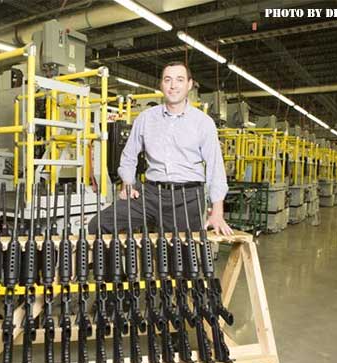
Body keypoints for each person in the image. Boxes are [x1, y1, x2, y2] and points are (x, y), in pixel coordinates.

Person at [88, 61, 233, 236]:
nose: (173, 85)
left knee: (181, 256)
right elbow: (128, 155)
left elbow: (215, 168)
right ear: (161, 85)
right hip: (149, 194)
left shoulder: (203, 122)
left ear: (189, 84)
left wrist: (217, 212)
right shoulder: (146, 118)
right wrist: (128, 182)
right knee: (98, 225)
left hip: (186, 198)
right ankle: (119, 264)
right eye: (167, 80)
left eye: (179, 80)